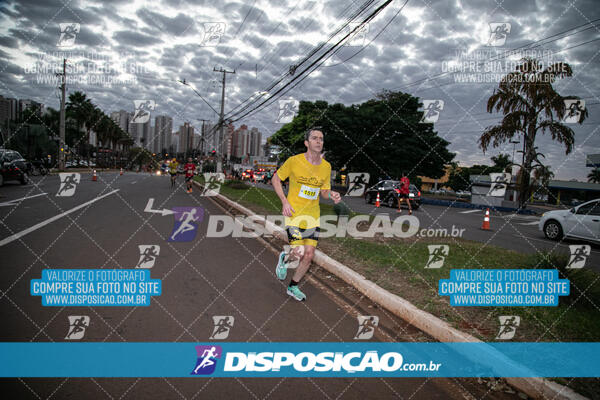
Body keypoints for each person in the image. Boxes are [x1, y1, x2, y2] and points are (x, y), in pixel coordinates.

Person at [271, 127, 341, 301]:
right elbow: (276, 179)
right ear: (306, 143)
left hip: (312, 217)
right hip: (294, 213)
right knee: (299, 251)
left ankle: (292, 287)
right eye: (315, 138)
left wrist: (331, 194)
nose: (319, 141)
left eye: (321, 139)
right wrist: (284, 201)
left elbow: (323, 192)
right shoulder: (294, 161)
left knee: (308, 255)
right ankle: (285, 258)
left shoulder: (326, 166)